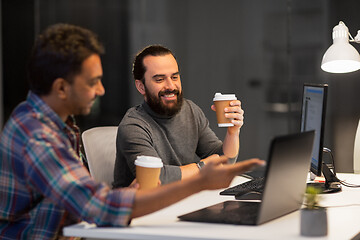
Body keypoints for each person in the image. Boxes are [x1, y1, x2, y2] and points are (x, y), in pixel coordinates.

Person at [0, 24, 264, 239]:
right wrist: (199, 180)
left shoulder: (57, 124)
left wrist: (232, 133)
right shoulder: (38, 136)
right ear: (61, 88)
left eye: (175, 76)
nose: (101, 90)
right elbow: (99, 207)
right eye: (93, 82)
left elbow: (80, 197)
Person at [113, 45, 244, 188]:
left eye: (174, 77)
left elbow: (224, 161)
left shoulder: (191, 110)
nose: (171, 86)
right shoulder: (133, 125)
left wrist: (233, 132)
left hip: (179, 198)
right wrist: (202, 167)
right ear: (141, 87)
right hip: (141, 206)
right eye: (159, 79)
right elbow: (157, 178)